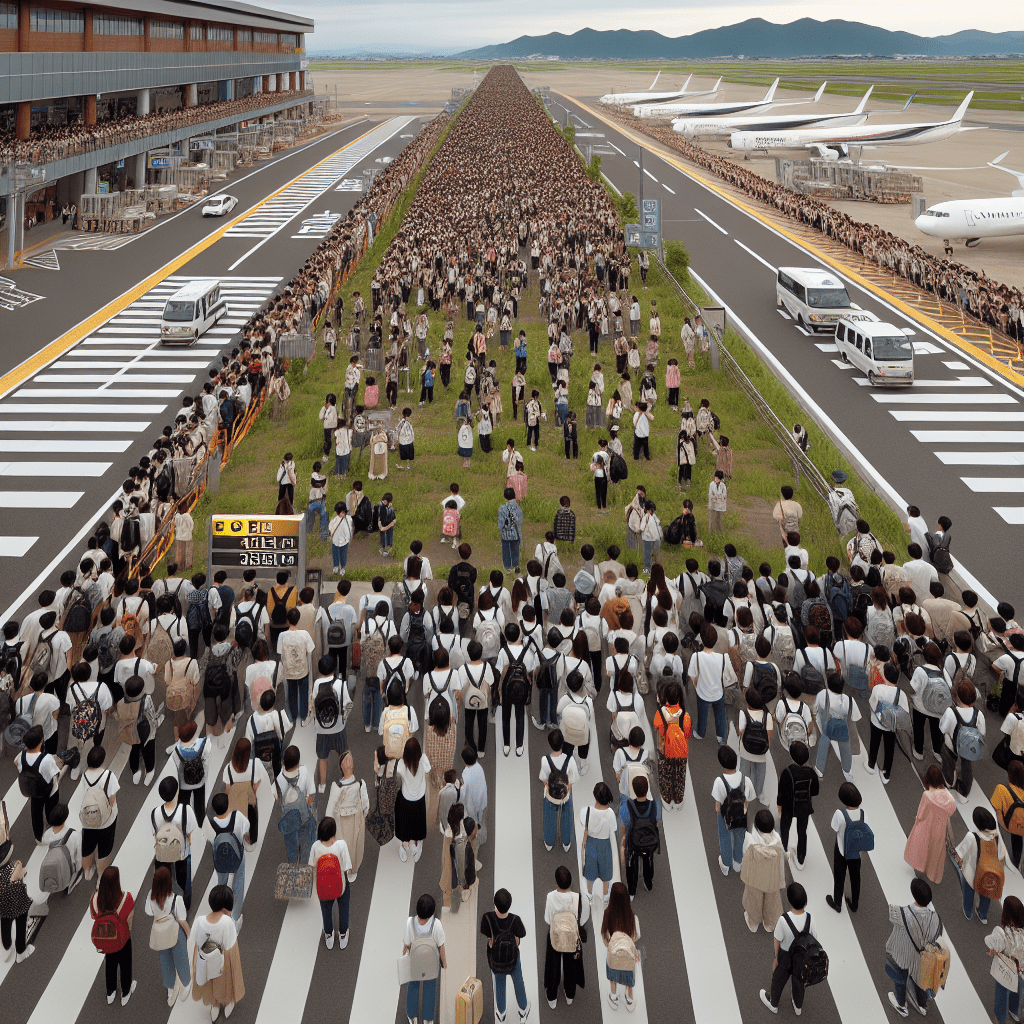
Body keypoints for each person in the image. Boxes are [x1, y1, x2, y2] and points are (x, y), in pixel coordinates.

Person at [885, 878, 943, 1018]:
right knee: (921, 981)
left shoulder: (900, 913)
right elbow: (936, 935)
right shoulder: (935, 919)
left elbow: (892, 917)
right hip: (922, 957)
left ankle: (901, 1004)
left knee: (900, 979)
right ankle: (922, 1005)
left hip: (902, 954)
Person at [760, 882, 817, 1015]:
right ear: (806, 901)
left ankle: (773, 1003)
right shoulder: (811, 919)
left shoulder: (783, 920)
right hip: (801, 958)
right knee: (799, 981)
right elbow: (814, 941)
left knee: (778, 980)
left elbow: (777, 940)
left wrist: (776, 959)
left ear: (789, 901)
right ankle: (798, 1006)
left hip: (785, 956)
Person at [191, 883, 244, 1021]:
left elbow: (196, 942)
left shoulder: (199, 920)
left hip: (205, 959)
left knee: (210, 982)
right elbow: (231, 947)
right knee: (227, 982)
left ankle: (214, 1004)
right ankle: (228, 1001)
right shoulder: (227, 922)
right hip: (223, 960)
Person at [481, 888, 530, 1023]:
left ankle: (501, 1014)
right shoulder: (515, 920)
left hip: (495, 960)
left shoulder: (487, 918)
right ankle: (523, 1010)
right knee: (518, 981)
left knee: (499, 984)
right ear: (510, 905)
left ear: (494, 904)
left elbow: (488, 937)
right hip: (513, 959)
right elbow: (521, 936)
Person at [543, 864, 589, 1009]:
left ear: (556, 882)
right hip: (572, 937)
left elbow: (547, 919)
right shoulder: (577, 898)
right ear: (571, 882)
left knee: (553, 965)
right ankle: (570, 994)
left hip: (555, 936)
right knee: (571, 965)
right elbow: (583, 919)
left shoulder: (550, 897)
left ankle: (552, 996)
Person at [90, 866, 136, 1006]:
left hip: (106, 938)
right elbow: (129, 921)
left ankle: (110, 992)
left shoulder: (96, 899)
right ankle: (125, 991)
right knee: (125, 964)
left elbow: (93, 916)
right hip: (122, 939)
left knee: (110, 964)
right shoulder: (125, 899)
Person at [146, 865, 191, 1005]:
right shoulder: (176, 899)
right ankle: (185, 984)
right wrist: (190, 936)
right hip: (174, 932)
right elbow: (182, 920)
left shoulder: (150, 896)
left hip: (160, 933)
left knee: (165, 961)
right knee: (181, 959)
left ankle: (170, 989)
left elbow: (148, 912)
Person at [954, 806, 1006, 924]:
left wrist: (960, 863)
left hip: (971, 875)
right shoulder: (997, 837)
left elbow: (959, 855)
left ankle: (968, 913)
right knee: (986, 896)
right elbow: (1002, 858)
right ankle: (983, 915)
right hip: (989, 876)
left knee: (969, 895)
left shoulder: (972, 837)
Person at [205, 793, 249, 925]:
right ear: (228, 804)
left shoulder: (210, 823)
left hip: (220, 860)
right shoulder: (237, 816)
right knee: (238, 883)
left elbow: (210, 840)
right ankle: (235, 917)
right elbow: (246, 832)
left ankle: (220, 912)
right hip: (237, 857)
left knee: (221, 884)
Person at [403, 893, 446, 1024]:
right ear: (432, 913)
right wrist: (444, 963)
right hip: (431, 964)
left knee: (413, 987)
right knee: (430, 990)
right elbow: (441, 947)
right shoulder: (436, 925)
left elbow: (406, 943)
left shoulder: (410, 922)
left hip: (415, 962)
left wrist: (404, 957)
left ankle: (412, 1016)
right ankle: (428, 1019)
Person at [310, 815, 352, 949]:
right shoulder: (341, 845)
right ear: (334, 833)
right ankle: (343, 934)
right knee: (343, 908)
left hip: (323, 886)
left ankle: (329, 935)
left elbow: (312, 865)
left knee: (326, 910)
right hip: (340, 886)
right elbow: (347, 866)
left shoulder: (316, 847)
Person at [828, 782, 871, 915]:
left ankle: (837, 903)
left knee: (839, 877)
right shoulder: (863, 814)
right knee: (855, 877)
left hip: (841, 850)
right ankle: (854, 904)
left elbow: (834, 827)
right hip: (856, 853)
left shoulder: (840, 814)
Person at [939, 680, 984, 803]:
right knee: (967, 768)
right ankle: (964, 793)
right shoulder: (978, 714)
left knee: (948, 763)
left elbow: (943, 728)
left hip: (951, 745)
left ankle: (949, 783)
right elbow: (982, 732)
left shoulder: (951, 712)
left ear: (957, 696)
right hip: (969, 747)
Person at [742, 810, 787, 934]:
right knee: (772, 900)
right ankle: (769, 923)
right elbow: (781, 859)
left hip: (754, 876)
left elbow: (744, 854)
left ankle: (753, 922)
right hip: (772, 875)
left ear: (756, 825)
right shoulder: (777, 840)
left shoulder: (750, 839)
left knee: (753, 899)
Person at [327, 751, 369, 882]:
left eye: (350, 759)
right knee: (345, 845)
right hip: (342, 821)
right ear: (341, 766)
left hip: (355, 819)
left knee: (355, 845)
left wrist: (362, 818)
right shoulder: (336, 786)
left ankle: (352, 869)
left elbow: (366, 804)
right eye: (345, 760)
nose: (348, 762)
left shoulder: (360, 784)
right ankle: (346, 869)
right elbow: (330, 809)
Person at [713, 744, 755, 876]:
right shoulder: (746, 780)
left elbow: (717, 806)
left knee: (725, 838)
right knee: (739, 837)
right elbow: (750, 798)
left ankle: (725, 865)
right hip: (741, 816)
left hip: (726, 816)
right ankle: (738, 863)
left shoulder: (720, 781)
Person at [16, 725, 62, 842]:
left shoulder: (22, 756)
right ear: (41, 741)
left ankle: (38, 838)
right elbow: (55, 773)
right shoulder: (46, 759)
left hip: (34, 791)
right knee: (51, 811)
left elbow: (16, 761)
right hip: (49, 791)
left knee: (36, 813)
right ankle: (53, 829)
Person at [601, 881, 641, 1011]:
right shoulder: (632, 918)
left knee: (613, 976)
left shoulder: (607, 915)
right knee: (628, 977)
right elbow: (636, 936)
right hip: (627, 955)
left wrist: (610, 945)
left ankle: (613, 997)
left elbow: (605, 938)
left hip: (613, 954)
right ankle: (629, 999)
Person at [985, 896, 1024, 1024]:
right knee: (1017, 989)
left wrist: (992, 952)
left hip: (1007, 968)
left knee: (1001, 992)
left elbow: (994, 945)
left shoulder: (1004, 933)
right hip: (1021, 968)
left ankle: (1000, 1019)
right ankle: (1014, 1011)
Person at [867, 662, 908, 783]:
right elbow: (904, 712)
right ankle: (886, 773)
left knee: (874, 743)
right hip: (891, 726)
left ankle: (871, 764)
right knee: (889, 748)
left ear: (885, 676)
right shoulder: (901, 694)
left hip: (876, 722)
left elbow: (872, 704)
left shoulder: (878, 689)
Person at [813, 673, 859, 781]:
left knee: (823, 745)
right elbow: (854, 717)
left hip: (827, 726)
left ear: (828, 684)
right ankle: (847, 771)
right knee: (845, 750)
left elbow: (816, 709)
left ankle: (819, 770)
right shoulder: (849, 700)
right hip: (842, 729)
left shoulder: (822, 694)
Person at [276, 745, 317, 865]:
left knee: (291, 844)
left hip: (289, 817)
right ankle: (305, 866)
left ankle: (293, 864)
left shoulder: (279, 777)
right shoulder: (303, 771)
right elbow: (311, 792)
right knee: (307, 844)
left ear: (284, 762)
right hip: (304, 816)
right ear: (298, 761)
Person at [581, 782, 617, 904]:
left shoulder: (586, 811)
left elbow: (585, 827)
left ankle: (590, 895)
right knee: (606, 870)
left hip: (591, 843)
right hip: (604, 844)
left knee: (590, 871)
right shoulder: (610, 814)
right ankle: (605, 895)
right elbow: (613, 829)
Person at [395, 736, 430, 863]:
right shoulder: (423, 760)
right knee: (419, 823)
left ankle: (404, 845)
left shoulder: (401, 764)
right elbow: (428, 769)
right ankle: (418, 844)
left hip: (406, 798)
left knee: (405, 823)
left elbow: (398, 777)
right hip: (419, 798)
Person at [439, 802, 477, 913]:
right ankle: (464, 890)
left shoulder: (448, 827)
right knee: (461, 871)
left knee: (452, 874)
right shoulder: (460, 830)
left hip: (452, 854)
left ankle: (451, 897)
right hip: (459, 852)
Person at [1, 855, 34, 963]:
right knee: (21, 918)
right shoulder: (12, 866)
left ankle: (7, 946)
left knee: (5, 917)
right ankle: (21, 952)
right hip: (14, 892)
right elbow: (20, 872)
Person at [498, 487, 524, 575]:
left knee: (506, 552)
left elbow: (500, 524)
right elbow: (519, 522)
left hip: (505, 535)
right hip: (515, 534)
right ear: (514, 495)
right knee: (515, 551)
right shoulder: (518, 508)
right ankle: (516, 567)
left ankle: (508, 569)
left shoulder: (502, 508)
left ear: (505, 496)